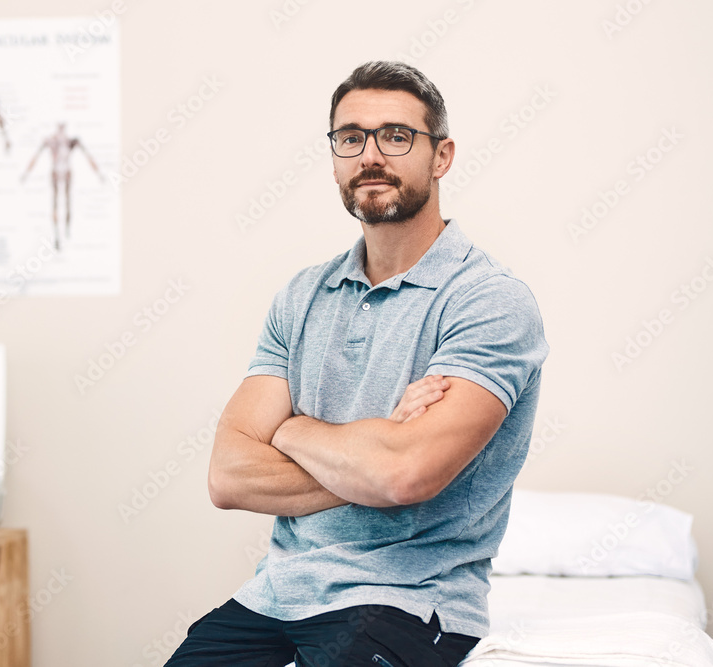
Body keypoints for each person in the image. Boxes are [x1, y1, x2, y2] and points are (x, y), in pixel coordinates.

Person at [166, 61, 549, 667]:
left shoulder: (488, 300)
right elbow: (228, 476)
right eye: (351, 138)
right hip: (274, 598)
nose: (371, 154)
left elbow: (405, 476)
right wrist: (374, 450)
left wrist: (289, 429)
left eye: (397, 136)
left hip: (408, 603)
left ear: (441, 155)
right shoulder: (302, 295)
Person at [21, 122, 103, 248]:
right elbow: (36, 157)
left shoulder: (70, 141)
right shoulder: (51, 141)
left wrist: (98, 173)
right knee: (56, 203)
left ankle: (66, 232)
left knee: (67, 201)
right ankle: (57, 236)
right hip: (56, 171)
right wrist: (26, 173)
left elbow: (88, 156)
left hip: (66, 171)